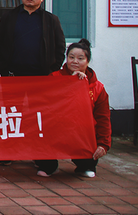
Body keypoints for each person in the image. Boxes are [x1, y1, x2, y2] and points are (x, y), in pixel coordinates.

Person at [37, 39, 110, 178]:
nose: (75, 61)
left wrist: (103, 144)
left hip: (82, 131)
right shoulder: (54, 77)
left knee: (88, 157)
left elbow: (103, 118)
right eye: (71, 57)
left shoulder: (97, 87)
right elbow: (46, 104)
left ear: (87, 61)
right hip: (56, 128)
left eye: (80, 58)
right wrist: (70, 82)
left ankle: (85, 165)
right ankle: (49, 166)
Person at [0, 0, 65, 78]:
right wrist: (2, 68)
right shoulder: (9, 17)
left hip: (42, 76)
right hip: (12, 75)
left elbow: (60, 48)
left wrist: (52, 70)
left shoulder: (51, 20)